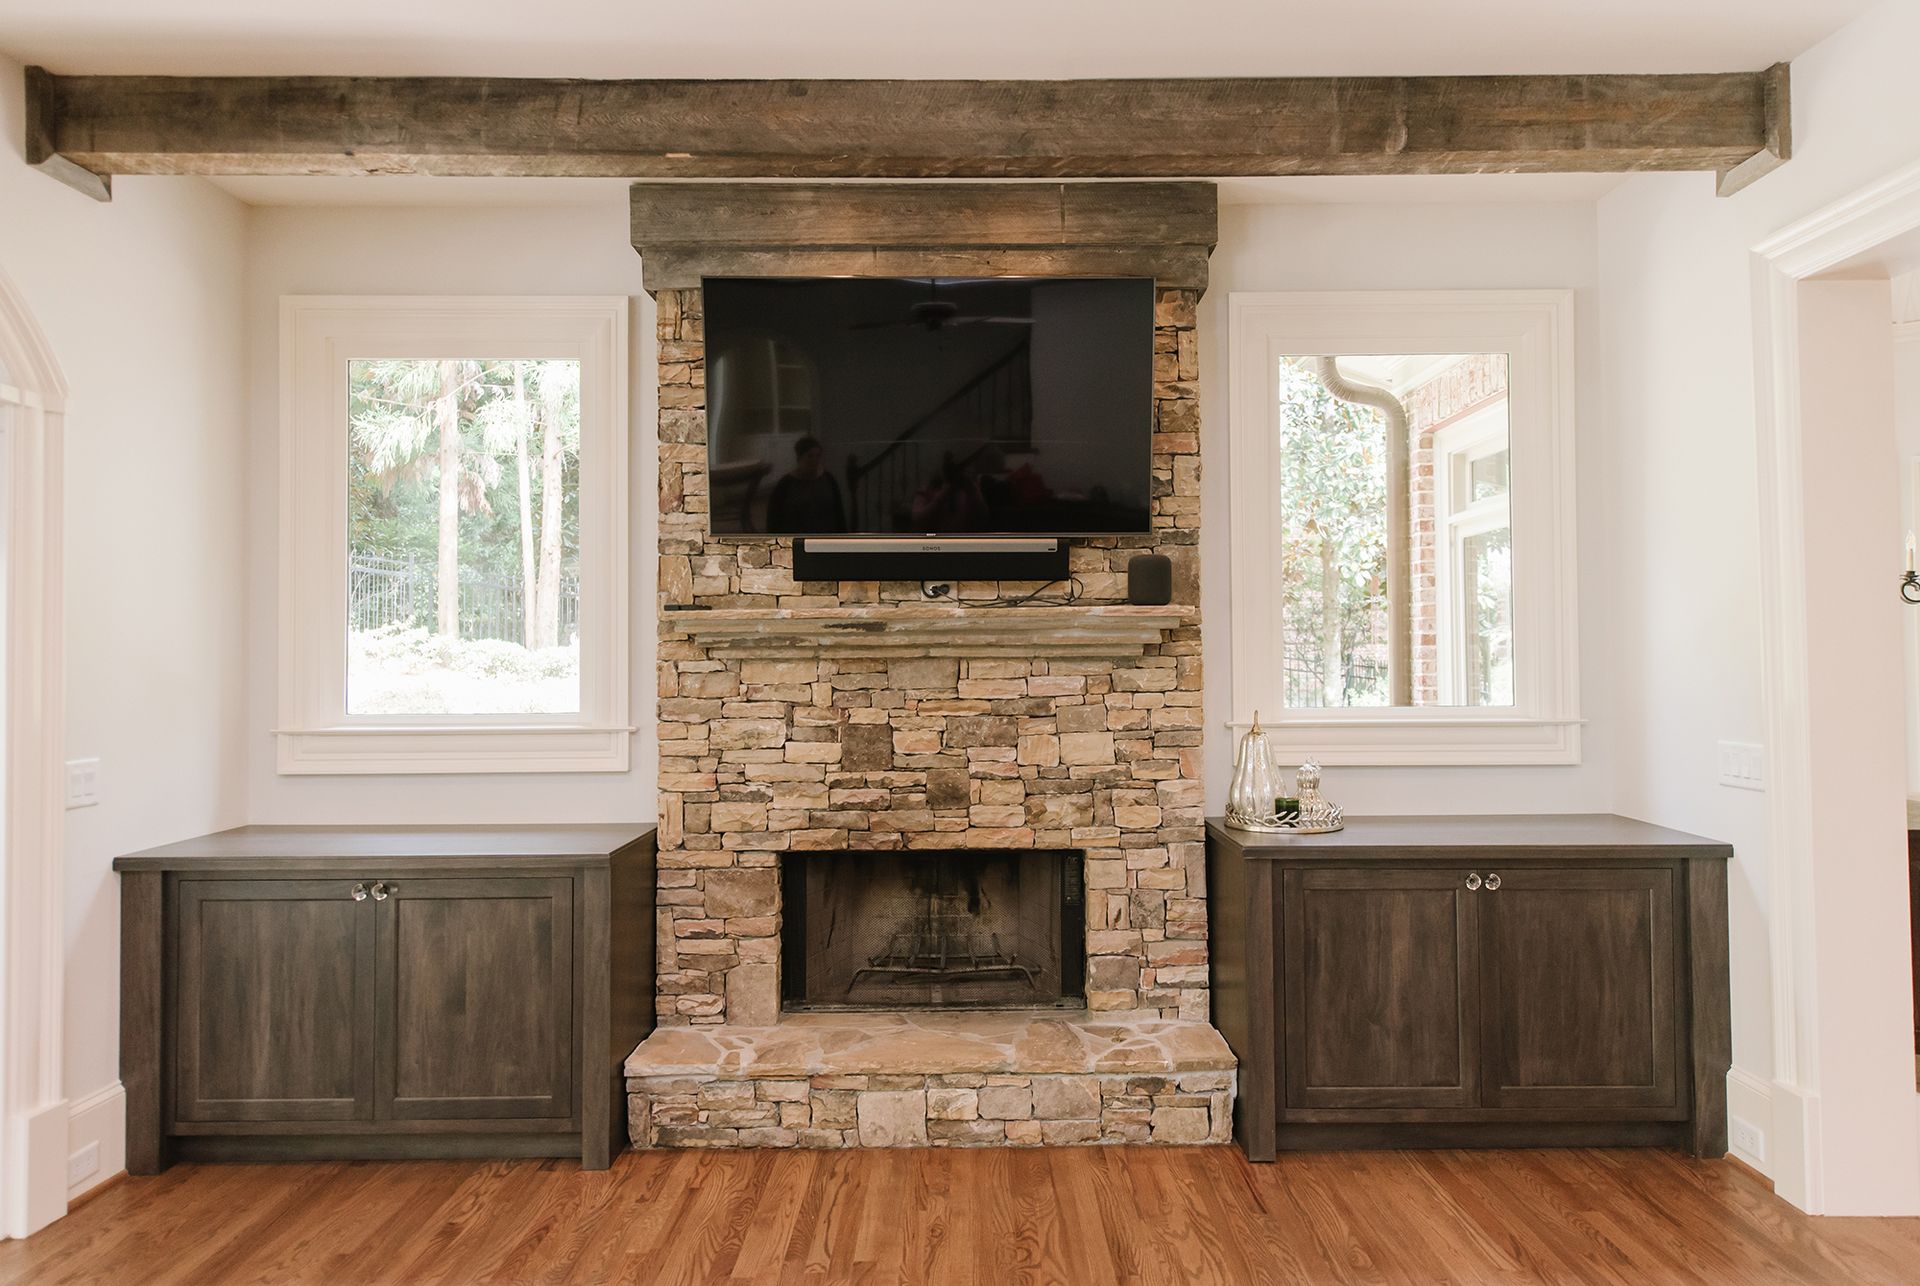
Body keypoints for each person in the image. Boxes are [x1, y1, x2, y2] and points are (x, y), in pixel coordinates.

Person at [764, 435, 847, 533]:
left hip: (826, 537)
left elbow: (838, 513)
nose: (814, 460)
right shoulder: (786, 484)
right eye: (810, 456)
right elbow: (774, 518)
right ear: (800, 458)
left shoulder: (828, 479)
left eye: (818, 456)